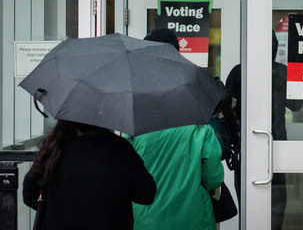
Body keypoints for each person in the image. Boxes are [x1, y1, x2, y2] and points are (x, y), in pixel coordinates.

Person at [126, 28, 224, 230]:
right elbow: (213, 177)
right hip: (193, 219)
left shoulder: (134, 115)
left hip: (147, 221)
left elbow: (127, 174)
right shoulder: (196, 114)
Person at [226, 29, 303, 230]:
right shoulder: (282, 71)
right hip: (276, 145)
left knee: (248, 203)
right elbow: (296, 105)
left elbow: (226, 112)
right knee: (277, 206)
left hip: (246, 146)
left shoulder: (238, 71)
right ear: (275, 46)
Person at [22, 120, 156, 230]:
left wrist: (56, 208)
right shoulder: (120, 148)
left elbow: (29, 193)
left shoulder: (55, 149)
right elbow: (146, 194)